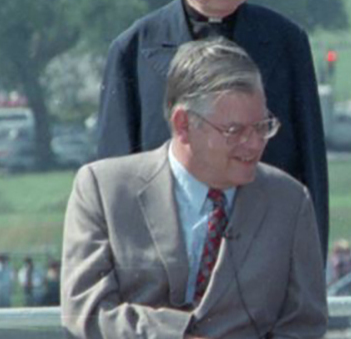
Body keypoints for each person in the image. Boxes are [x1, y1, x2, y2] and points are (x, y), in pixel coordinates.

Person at [62, 39, 326, 339]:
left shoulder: (290, 201)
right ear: (184, 125)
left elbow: (303, 325)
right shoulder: (103, 188)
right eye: (235, 131)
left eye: (262, 127)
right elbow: (88, 311)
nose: (254, 145)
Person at [96, 0, 329, 257]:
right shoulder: (133, 50)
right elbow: (114, 183)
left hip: (263, 259)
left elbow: (311, 168)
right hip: (164, 262)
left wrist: (312, 272)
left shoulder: (287, 42)